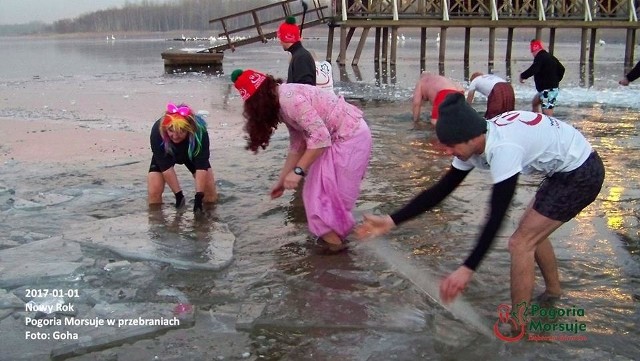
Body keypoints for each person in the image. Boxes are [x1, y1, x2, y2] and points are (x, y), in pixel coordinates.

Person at [355, 93, 604, 314]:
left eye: (451, 146)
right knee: (529, 230)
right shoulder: (474, 141)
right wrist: (390, 221)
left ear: (470, 138)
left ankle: (519, 326)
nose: (449, 152)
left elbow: (496, 215)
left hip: (582, 172)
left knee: (520, 243)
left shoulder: (504, 148)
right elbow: (441, 191)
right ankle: (553, 293)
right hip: (565, 168)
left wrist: (467, 269)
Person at [231, 69, 372, 252]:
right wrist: (282, 181)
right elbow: (297, 145)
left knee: (323, 201)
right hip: (337, 139)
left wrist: (298, 172)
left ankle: (340, 256)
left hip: (350, 137)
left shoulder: (289, 101)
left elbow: (320, 138)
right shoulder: (281, 103)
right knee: (316, 198)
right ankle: (337, 247)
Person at [147, 103, 218, 212]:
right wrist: (178, 195)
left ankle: (207, 222)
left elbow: (201, 165)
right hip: (167, 152)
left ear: (190, 129)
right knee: (154, 193)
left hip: (192, 152)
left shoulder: (200, 132)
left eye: (181, 132)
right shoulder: (158, 131)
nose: (175, 136)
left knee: (210, 195)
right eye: (171, 131)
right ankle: (157, 224)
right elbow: (165, 167)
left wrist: (198, 196)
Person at [519, 39, 565, 116]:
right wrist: (556, 80)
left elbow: (534, 69)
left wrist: (523, 76)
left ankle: (548, 126)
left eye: (532, 52)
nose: (532, 55)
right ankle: (536, 120)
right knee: (535, 103)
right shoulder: (549, 56)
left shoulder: (540, 57)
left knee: (547, 113)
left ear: (534, 50)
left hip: (548, 90)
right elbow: (562, 69)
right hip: (546, 89)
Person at [278, 16, 316, 86]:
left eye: (281, 38)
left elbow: (306, 87)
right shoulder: (298, 55)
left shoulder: (301, 57)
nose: (280, 42)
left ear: (287, 38)